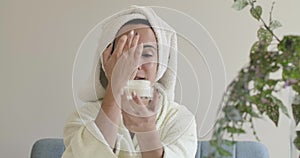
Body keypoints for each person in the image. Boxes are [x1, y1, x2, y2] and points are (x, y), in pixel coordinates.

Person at [62, 6, 197, 158]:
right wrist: (115, 88)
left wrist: (147, 132)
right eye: (126, 54)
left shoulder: (180, 121)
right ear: (107, 61)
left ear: (161, 63)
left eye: (147, 54)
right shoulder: (83, 118)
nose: (136, 64)